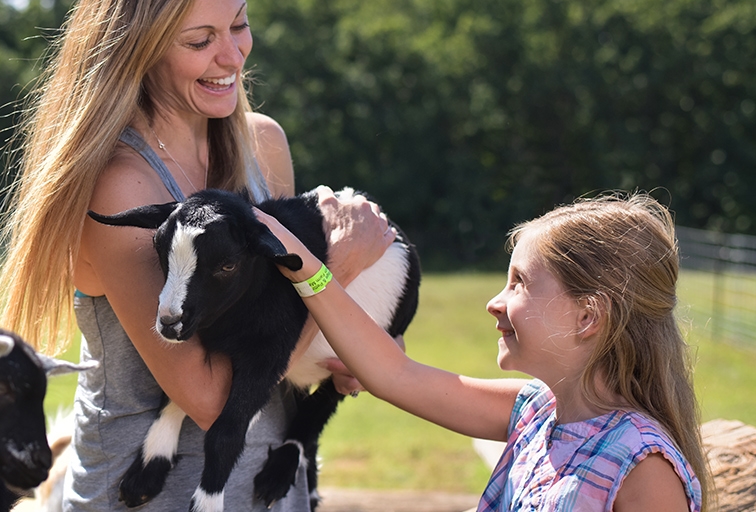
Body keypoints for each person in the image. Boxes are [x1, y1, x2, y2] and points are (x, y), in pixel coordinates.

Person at [0, 0, 389, 511]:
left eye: (240, 25)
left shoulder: (264, 146)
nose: (232, 54)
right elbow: (207, 397)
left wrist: (342, 355)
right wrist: (337, 267)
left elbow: (274, 329)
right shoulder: (121, 186)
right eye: (200, 41)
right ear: (138, 48)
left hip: (267, 490)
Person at [255, 192, 711, 512]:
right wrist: (307, 267)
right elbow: (395, 375)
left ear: (588, 317)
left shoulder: (643, 465)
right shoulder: (533, 412)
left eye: (519, 283)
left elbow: (394, 374)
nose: (494, 302)